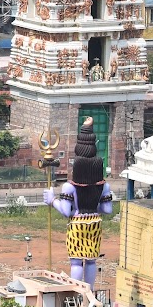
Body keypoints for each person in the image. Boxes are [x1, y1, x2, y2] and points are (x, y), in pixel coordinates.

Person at [44, 116, 114, 287]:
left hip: (77, 223)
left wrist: (52, 200)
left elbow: (66, 211)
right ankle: (88, 291)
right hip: (95, 223)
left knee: (76, 262)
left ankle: (77, 291)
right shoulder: (104, 186)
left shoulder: (70, 186)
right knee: (91, 261)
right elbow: (107, 209)